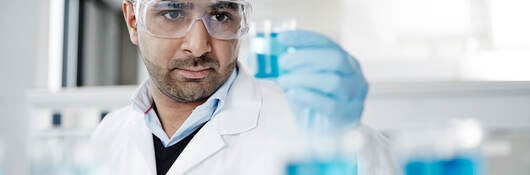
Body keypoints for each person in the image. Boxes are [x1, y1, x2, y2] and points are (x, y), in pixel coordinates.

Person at [90, 0, 398, 174]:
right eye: (172, 13)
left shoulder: (303, 125)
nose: (198, 47)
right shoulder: (109, 134)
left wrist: (348, 140)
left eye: (221, 15)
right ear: (133, 20)